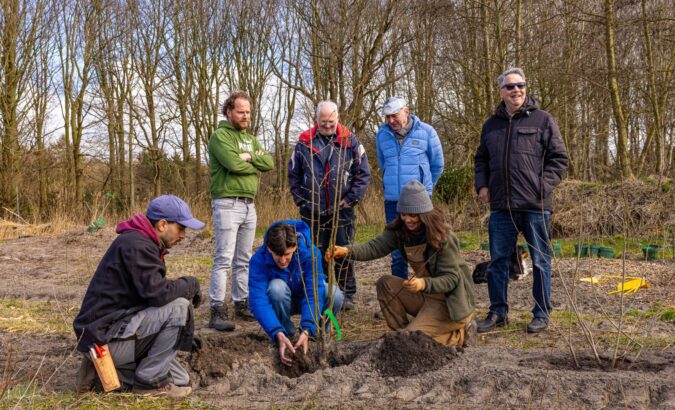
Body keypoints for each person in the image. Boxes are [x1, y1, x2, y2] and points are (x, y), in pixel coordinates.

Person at [73, 195, 204, 397]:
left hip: (114, 330)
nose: (184, 235)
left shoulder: (142, 242)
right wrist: (190, 284)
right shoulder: (136, 245)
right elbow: (159, 294)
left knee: (181, 379)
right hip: (104, 339)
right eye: (181, 228)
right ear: (162, 224)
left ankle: (108, 378)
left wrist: (179, 333)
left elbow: (148, 297)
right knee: (180, 306)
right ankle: (147, 383)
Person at [473, 67, 568, 334]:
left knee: (540, 261)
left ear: (525, 89)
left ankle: (541, 314)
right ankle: (498, 312)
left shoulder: (543, 120)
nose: (516, 90)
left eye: (520, 85)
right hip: (502, 207)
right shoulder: (491, 125)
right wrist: (482, 185)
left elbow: (559, 160)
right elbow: (481, 159)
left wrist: (542, 186)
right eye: (510, 86)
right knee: (498, 261)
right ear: (501, 92)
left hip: (535, 206)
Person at [328, 180, 476, 348]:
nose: (408, 219)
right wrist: (347, 251)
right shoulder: (399, 231)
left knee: (414, 342)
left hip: (451, 303)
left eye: (413, 215)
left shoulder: (443, 237)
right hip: (426, 296)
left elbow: (451, 279)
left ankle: (461, 334)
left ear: (424, 213)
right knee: (386, 284)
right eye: (404, 214)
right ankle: (403, 335)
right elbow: (374, 247)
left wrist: (423, 283)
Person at [288, 101, 371, 310]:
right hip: (312, 211)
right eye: (323, 122)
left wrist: (350, 200)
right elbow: (293, 175)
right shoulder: (304, 142)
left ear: (338, 118)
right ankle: (321, 293)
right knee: (316, 254)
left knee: (343, 251)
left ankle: (347, 295)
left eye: (331, 122)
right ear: (317, 120)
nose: (327, 126)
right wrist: (302, 200)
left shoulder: (350, 141)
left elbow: (362, 174)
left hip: (342, 209)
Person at [208, 91, 274, 331]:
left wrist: (248, 158)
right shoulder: (219, 137)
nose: (246, 116)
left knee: (244, 258)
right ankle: (217, 306)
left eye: (248, 112)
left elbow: (268, 163)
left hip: (249, 204)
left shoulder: (251, 139)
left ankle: (241, 302)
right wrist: (247, 162)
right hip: (227, 202)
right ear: (229, 112)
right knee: (224, 257)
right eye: (241, 112)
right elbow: (233, 165)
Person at [249, 220, 344, 366]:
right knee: (276, 288)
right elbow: (258, 301)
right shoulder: (258, 260)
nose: (282, 260)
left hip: (304, 299)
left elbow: (314, 292)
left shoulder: (310, 254)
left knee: (334, 294)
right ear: (269, 249)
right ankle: (285, 333)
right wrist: (276, 333)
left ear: (294, 247)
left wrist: (307, 328)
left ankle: (317, 333)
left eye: (287, 254)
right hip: (280, 301)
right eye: (277, 255)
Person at [376, 96, 444, 279]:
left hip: (420, 203)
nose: (391, 121)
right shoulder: (381, 135)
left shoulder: (427, 132)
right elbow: (384, 165)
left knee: (426, 246)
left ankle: (430, 290)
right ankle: (399, 291)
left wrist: (425, 191)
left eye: (394, 115)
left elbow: (437, 165)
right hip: (393, 201)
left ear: (406, 111)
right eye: (387, 117)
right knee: (397, 251)